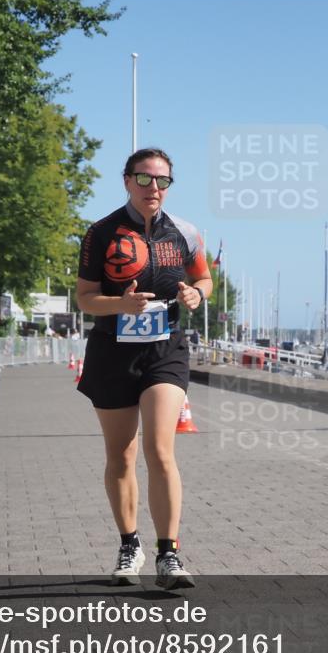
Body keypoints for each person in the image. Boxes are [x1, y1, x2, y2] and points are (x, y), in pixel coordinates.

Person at [75, 148, 212, 590]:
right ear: (127, 181)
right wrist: (121, 304)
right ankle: (128, 545)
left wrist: (197, 294)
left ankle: (168, 555)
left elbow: (204, 278)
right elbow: (85, 297)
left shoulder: (186, 233)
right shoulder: (101, 233)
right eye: (145, 179)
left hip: (164, 350)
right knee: (121, 456)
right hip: (113, 350)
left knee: (160, 449)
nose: (154, 188)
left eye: (163, 180)